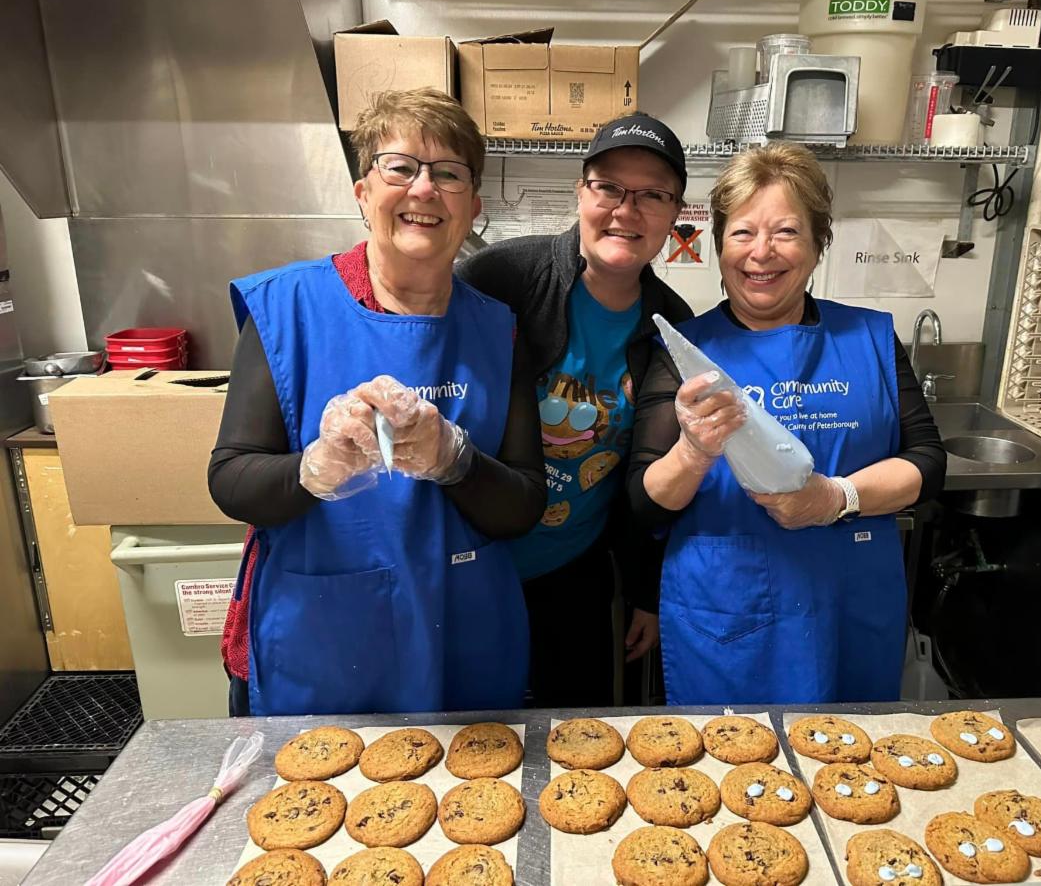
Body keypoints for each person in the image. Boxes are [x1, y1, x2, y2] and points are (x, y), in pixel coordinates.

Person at [208, 88, 545, 716]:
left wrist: (454, 459)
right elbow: (230, 479)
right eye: (400, 167)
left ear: (473, 207)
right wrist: (314, 468)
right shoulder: (287, 310)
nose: (424, 190)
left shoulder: (499, 331)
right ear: (363, 193)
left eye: (449, 174)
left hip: (464, 631)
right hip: (328, 635)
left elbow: (524, 505)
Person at [627, 142, 946, 705]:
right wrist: (694, 452)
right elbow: (644, 502)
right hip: (730, 615)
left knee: (848, 775)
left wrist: (835, 497)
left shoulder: (870, 338)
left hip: (850, 602)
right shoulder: (685, 352)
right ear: (720, 245)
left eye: (787, 232)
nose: (762, 253)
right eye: (743, 232)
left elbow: (927, 461)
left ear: (819, 244)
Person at [456, 114, 694, 707]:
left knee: (576, 749)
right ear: (582, 193)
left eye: (652, 195)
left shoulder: (670, 324)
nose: (626, 209)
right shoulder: (502, 277)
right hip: (471, 564)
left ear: (674, 214)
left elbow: (648, 475)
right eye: (609, 187)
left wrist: (645, 591)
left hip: (575, 569)